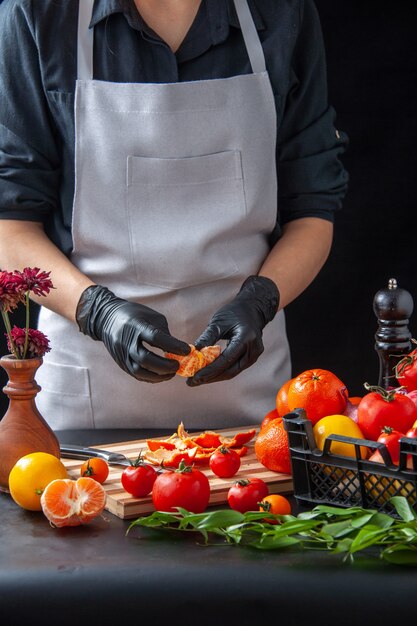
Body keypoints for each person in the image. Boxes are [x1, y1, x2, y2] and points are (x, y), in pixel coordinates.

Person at [0, 0, 348, 431]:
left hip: (252, 410)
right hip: (86, 406)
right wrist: (100, 314)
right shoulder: (38, 13)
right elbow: (10, 227)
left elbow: (313, 212)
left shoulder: (281, 12)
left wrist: (259, 302)